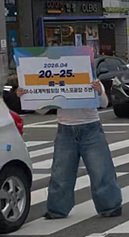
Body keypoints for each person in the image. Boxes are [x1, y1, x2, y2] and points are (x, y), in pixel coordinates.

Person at [18, 80, 123, 219]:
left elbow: (103, 103)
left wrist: (98, 91)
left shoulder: (90, 78)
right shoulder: (55, 82)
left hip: (90, 127)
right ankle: (57, 209)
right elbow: (42, 109)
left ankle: (110, 206)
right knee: (61, 171)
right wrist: (25, 95)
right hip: (65, 128)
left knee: (100, 169)